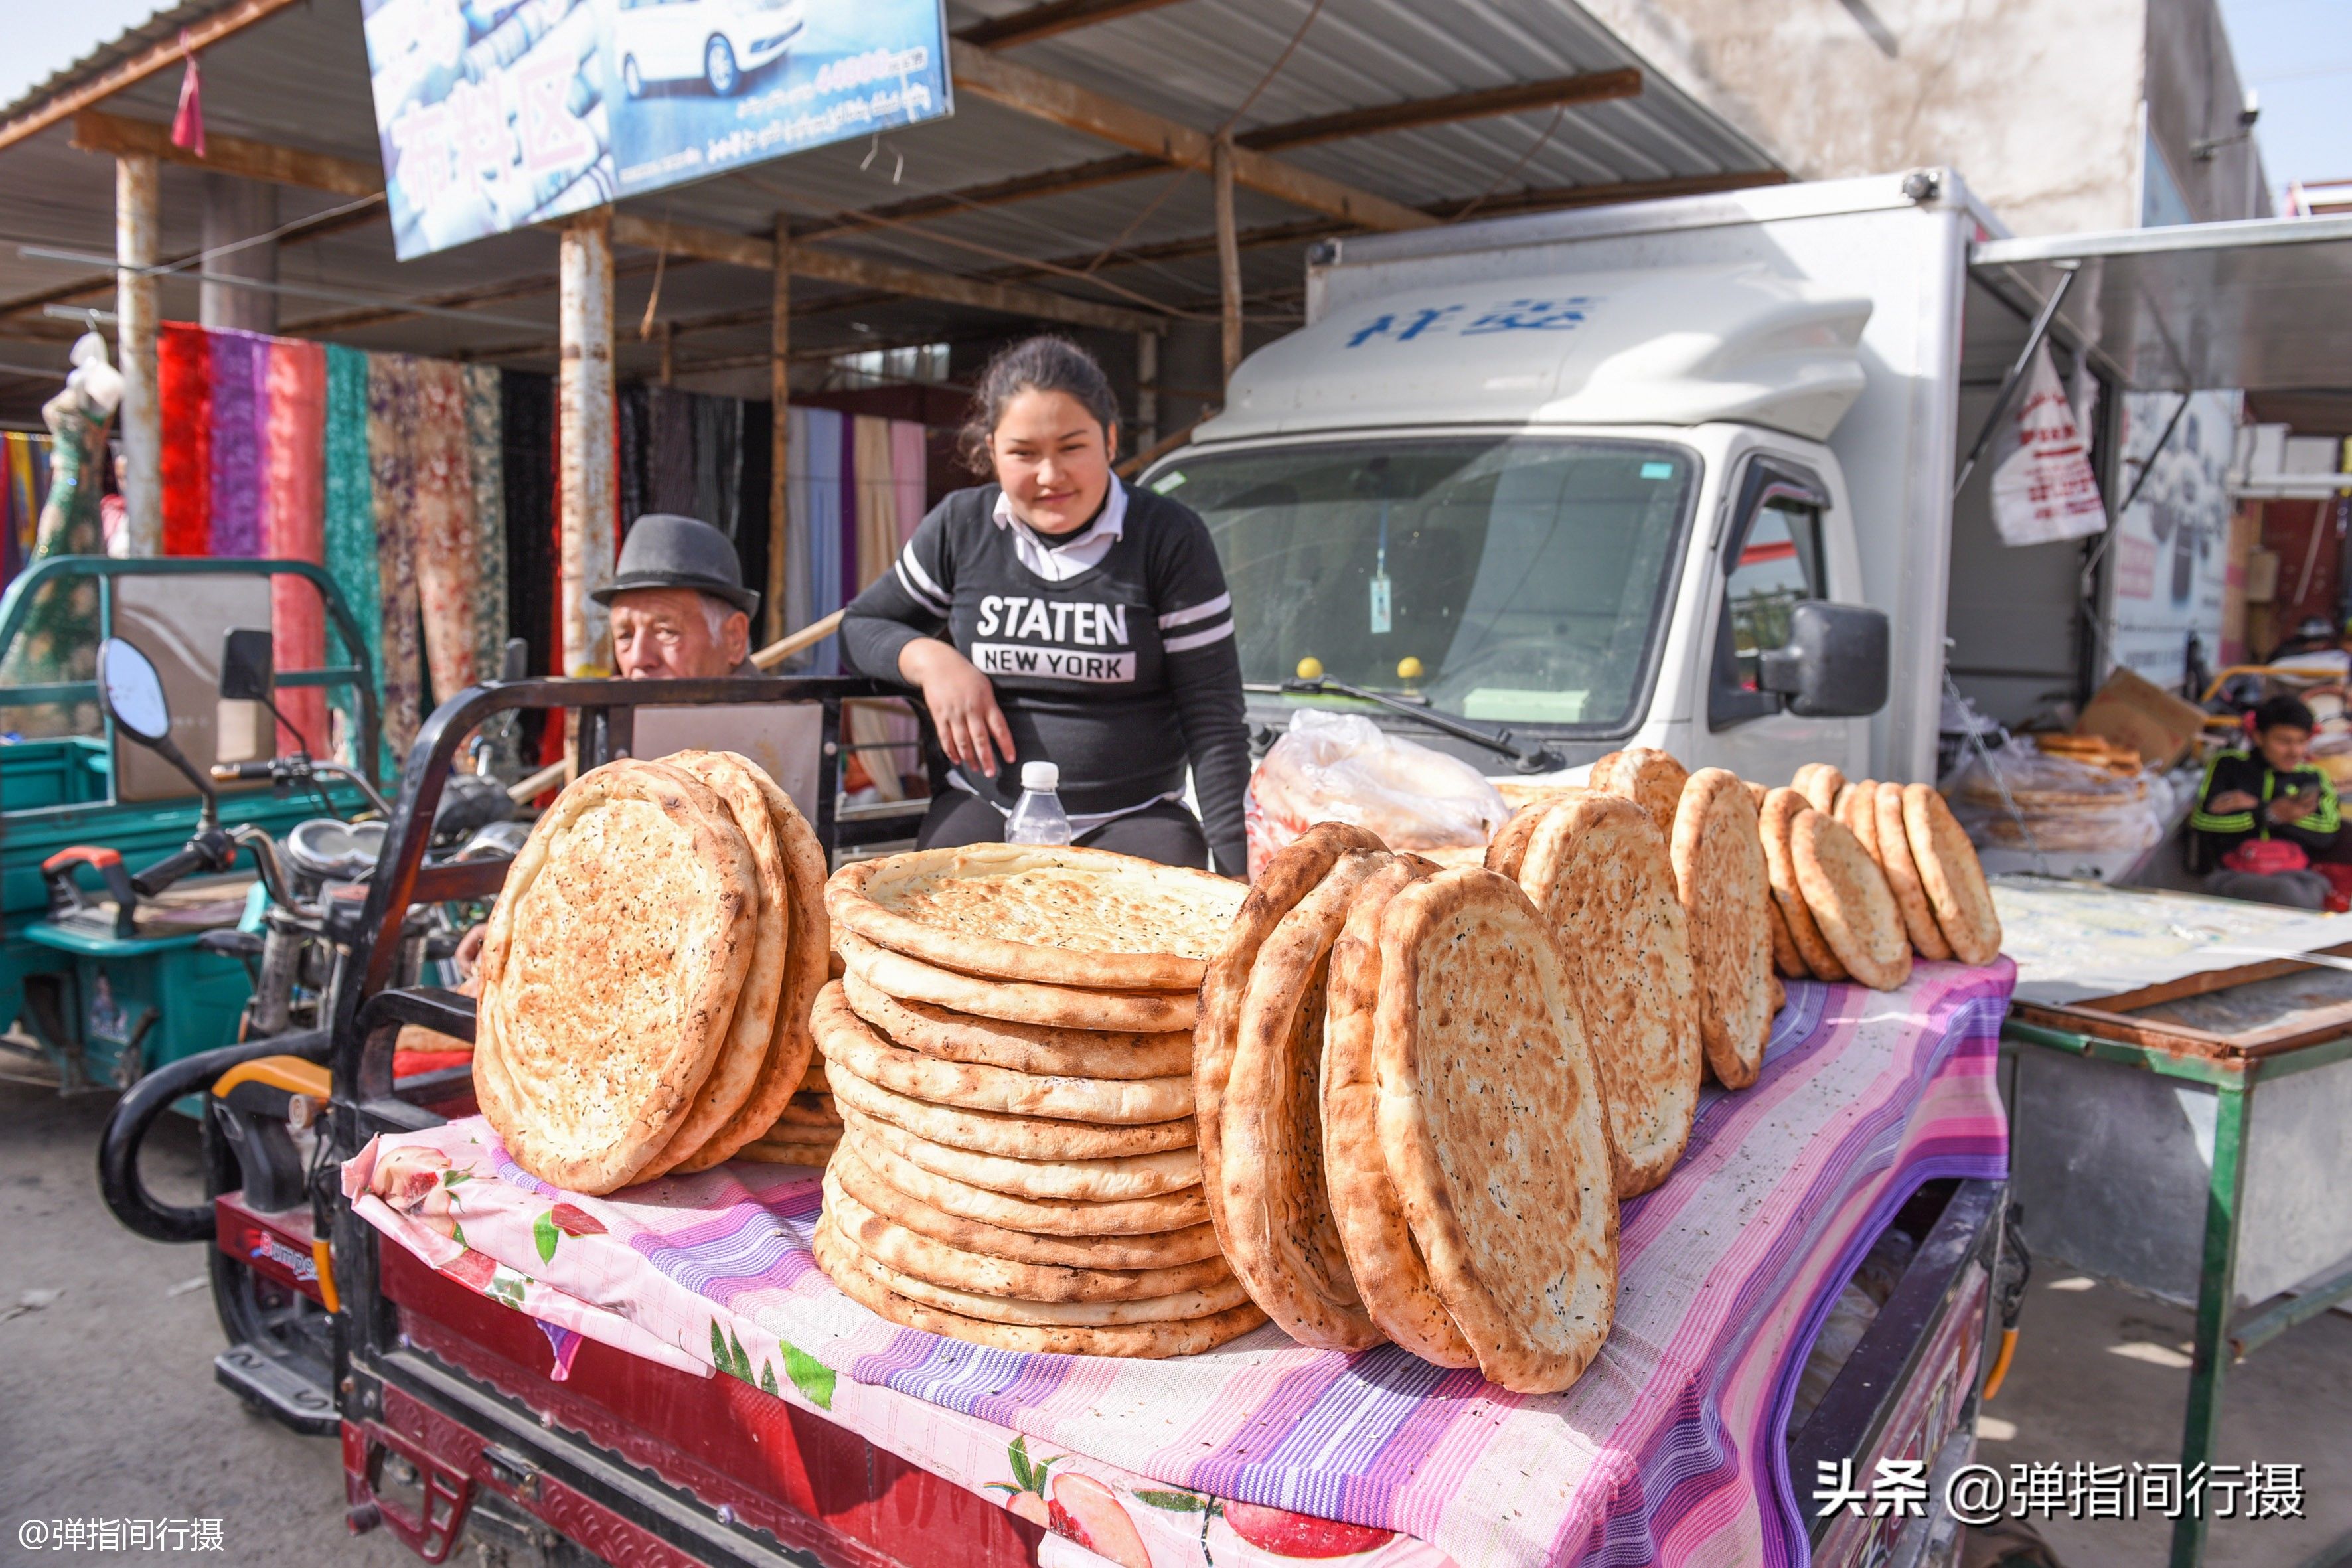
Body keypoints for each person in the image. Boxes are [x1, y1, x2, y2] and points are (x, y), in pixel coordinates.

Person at [840, 335, 1249, 876]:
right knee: (928, 932)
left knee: (1155, 950)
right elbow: (859, 628)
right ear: (991, 450)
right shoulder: (960, 526)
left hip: (1135, 815)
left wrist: (1238, 867)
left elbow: (1214, 715)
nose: (1050, 476)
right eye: (1023, 453)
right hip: (985, 807)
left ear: (1109, 439)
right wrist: (930, 660)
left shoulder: (1167, 537)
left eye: (1072, 447)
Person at [2190, 694, 2342, 909]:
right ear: (2259, 737)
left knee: (2306, 891)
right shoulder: (2229, 765)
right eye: (2284, 741)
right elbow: (2203, 821)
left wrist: (2261, 809)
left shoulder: (2313, 777)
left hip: (2297, 873)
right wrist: (2268, 814)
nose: (2295, 752)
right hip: (2234, 873)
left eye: (2302, 741)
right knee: (2288, 895)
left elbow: (2326, 833)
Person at [592, 512, 761, 679]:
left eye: (666, 632)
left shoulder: (775, 707)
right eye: (626, 636)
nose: (638, 659)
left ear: (734, 638)